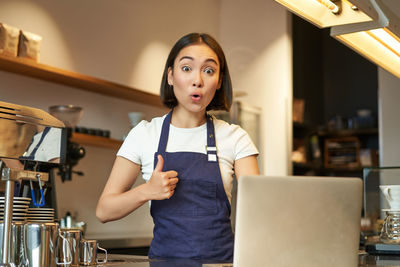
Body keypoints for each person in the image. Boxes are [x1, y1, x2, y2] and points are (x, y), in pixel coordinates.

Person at [96, 32, 259, 261]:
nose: (198, 80)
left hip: (220, 265)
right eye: (186, 68)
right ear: (171, 76)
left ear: (219, 81)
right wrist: (146, 191)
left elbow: (260, 209)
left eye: (209, 70)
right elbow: (104, 210)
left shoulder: (235, 137)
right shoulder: (144, 134)